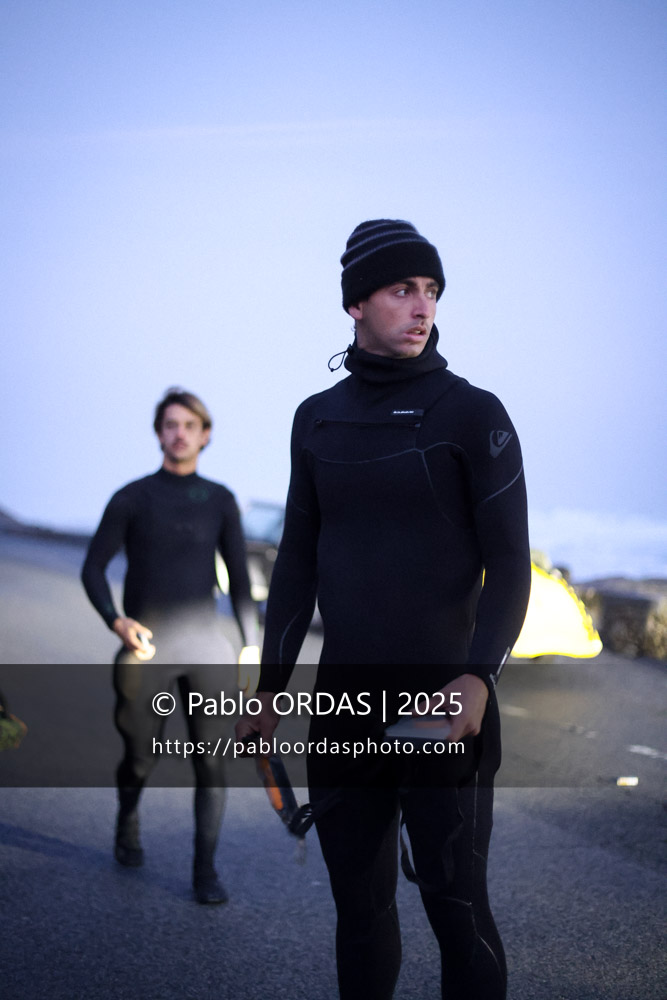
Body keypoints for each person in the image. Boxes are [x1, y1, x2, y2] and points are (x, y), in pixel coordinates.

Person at [237, 220, 531, 997]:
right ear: (356, 304)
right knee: (359, 912)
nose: (421, 306)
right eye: (403, 289)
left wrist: (478, 679)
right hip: (344, 708)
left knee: (455, 910)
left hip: (443, 705)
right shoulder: (317, 418)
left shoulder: (473, 414)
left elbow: (508, 564)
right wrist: (271, 689)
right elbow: (297, 562)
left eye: (431, 291)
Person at [82, 387, 259, 904]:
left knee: (212, 762)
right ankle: (127, 816)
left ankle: (205, 870)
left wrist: (251, 649)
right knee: (139, 758)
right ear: (158, 432)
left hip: (206, 649)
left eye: (189, 425)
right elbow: (93, 567)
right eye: (170, 424)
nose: (179, 433)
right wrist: (116, 621)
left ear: (205, 435)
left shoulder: (220, 499)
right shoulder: (133, 497)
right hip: (148, 648)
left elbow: (242, 584)